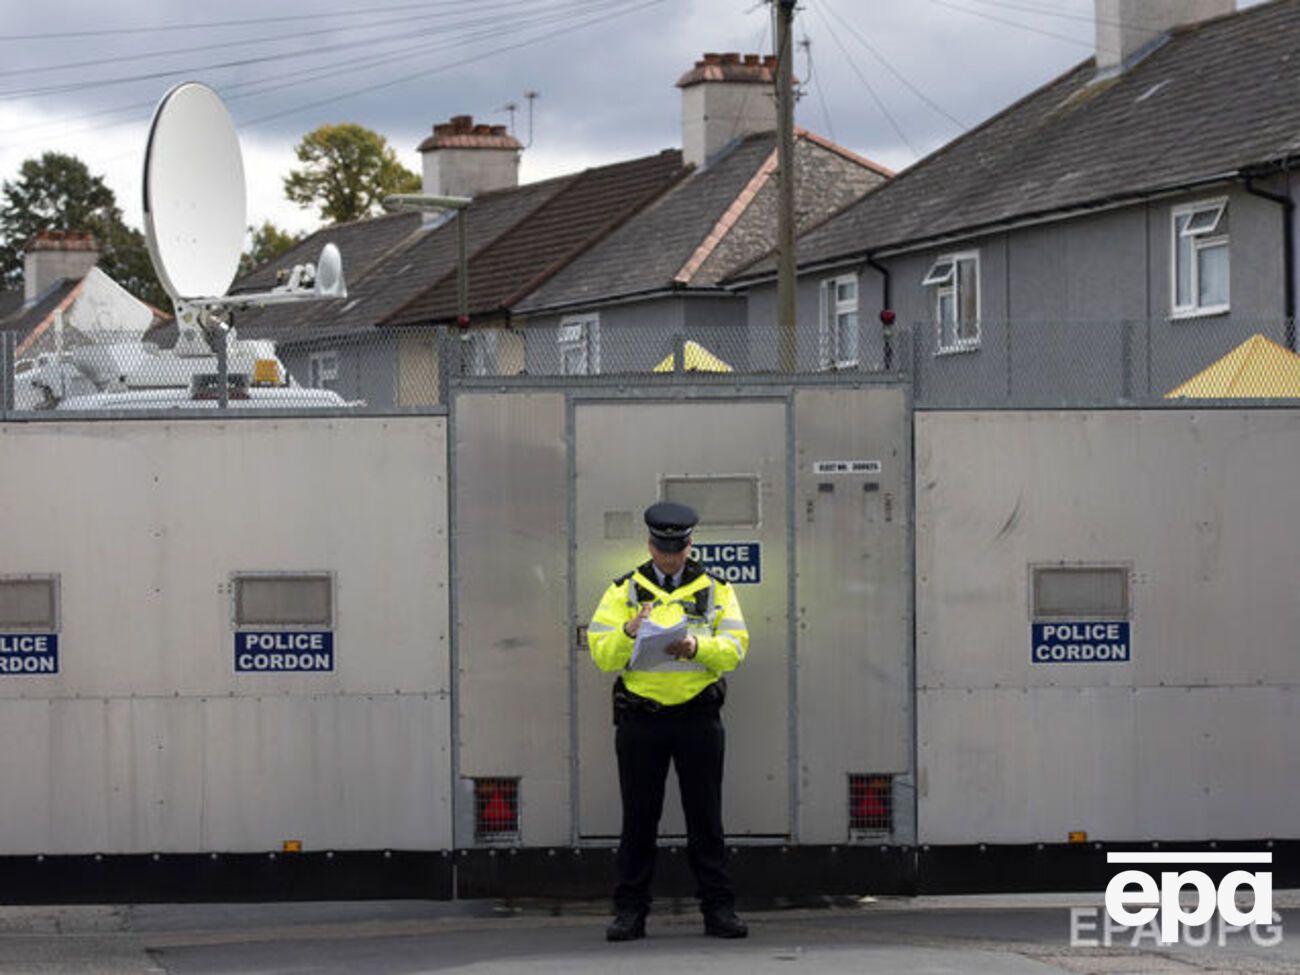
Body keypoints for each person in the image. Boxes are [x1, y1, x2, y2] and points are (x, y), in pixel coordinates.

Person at [586, 501, 750, 942]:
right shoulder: (624, 590)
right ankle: (629, 913)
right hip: (643, 720)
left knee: (706, 819)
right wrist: (626, 633)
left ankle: (719, 910)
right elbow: (600, 652)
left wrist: (695, 648)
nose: (669, 557)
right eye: (662, 548)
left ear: (689, 544)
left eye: (676, 549)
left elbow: (735, 648)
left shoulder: (717, 588)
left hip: (698, 716)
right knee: (638, 820)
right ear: (650, 544)